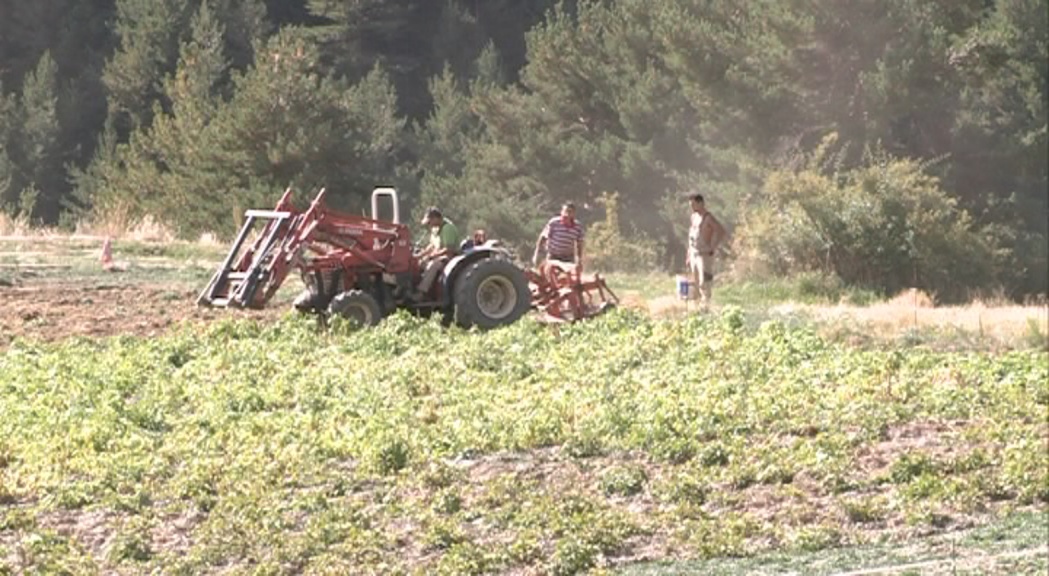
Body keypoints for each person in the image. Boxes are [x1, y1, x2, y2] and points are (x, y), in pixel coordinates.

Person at [686, 193, 727, 308]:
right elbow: (691, 236)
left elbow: (720, 231)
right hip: (694, 253)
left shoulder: (708, 218)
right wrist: (688, 254)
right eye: (691, 205)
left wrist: (713, 246)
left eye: (694, 204)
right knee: (694, 281)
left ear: (701, 203)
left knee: (704, 281)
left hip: (704, 255)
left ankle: (706, 306)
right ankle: (696, 306)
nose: (692, 207)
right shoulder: (693, 217)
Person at [415, 206, 461, 299]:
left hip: (449, 257)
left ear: (436, 218)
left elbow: (449, 249)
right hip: (438, 254)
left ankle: (421, 293)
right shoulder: (435, 229)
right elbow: (431, 245)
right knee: (420, 263)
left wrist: (433, 255)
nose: (429, 224)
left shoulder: (448, 228)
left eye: (430, 221)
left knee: (433, 265)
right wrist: (419, 256)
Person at [532, 202, 585, 273]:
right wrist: (537, 254)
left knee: (568, 278)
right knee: (551, 276)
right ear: (561, 212)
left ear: (573, 214)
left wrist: (579, 260)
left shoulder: (578, 227)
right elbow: (543, 238)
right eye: (565, 211)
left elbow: (579, 244)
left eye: (570, 212)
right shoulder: (554, 223)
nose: (567, 214)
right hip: (553, 256)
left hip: (568, 258)